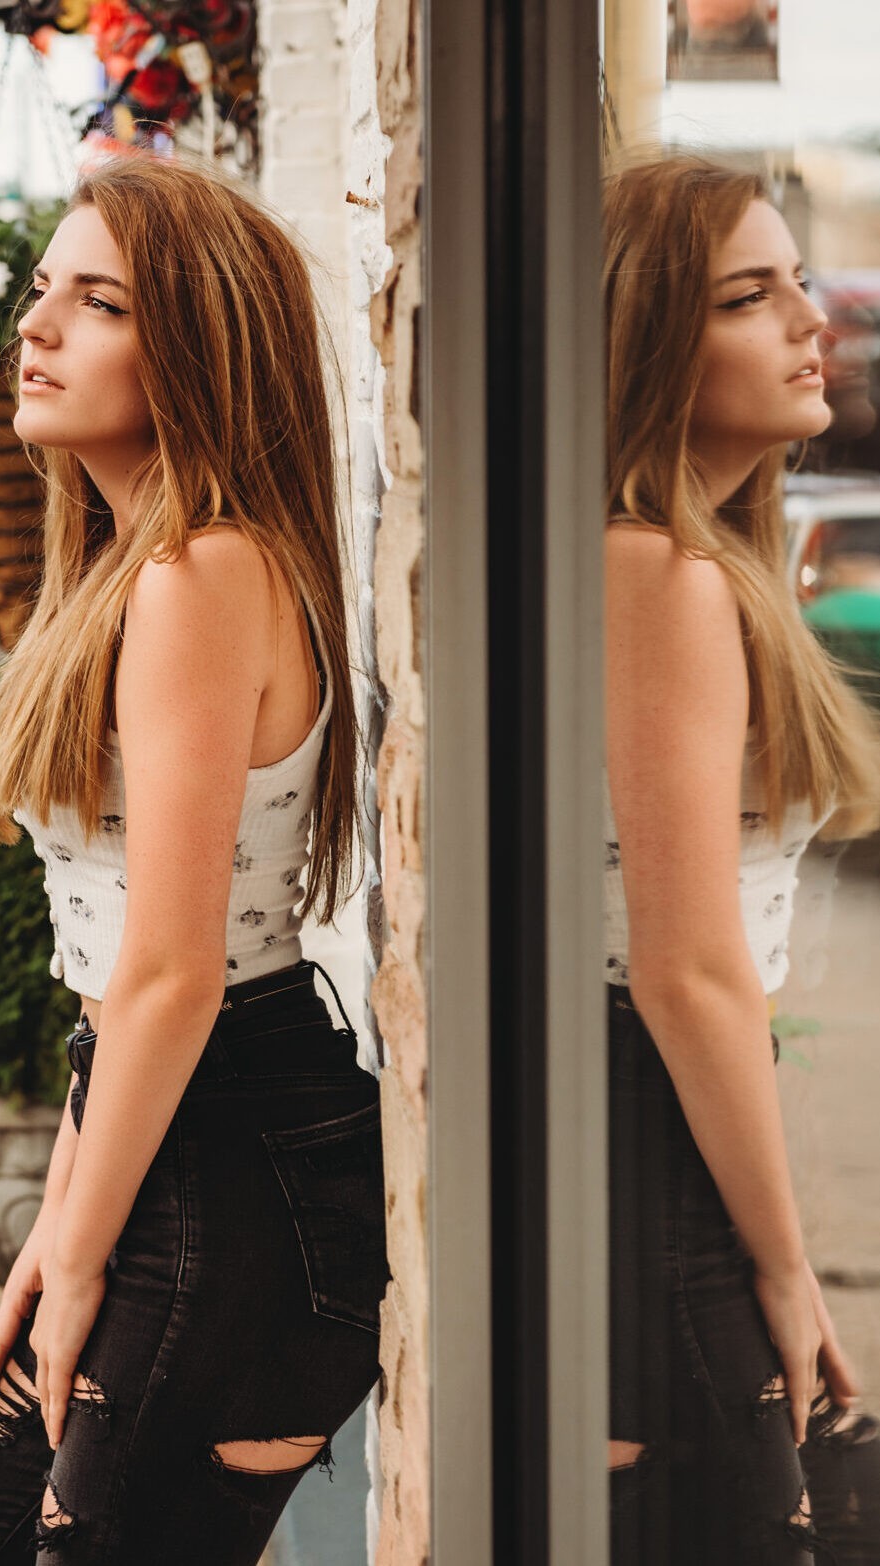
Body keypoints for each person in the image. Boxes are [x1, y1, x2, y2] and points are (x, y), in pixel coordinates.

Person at [0, 154, 387, 1565]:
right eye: (41, 291)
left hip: (233, 1165)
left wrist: (86, 1250)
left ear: (203, 346)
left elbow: (171, 972)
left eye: (96, 300)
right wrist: (58, 1223)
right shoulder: (137, 573)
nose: (35, 329)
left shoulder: (201, 576)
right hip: (169, 1128)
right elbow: (119, 985)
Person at [604, 155, 880, 1563]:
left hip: (662, 1147)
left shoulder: (693, 563)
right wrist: (784, 1266)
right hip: (641, 1158)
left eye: (793, 281)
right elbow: (686, 968)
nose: (803, 317)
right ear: (646, 337)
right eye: (745, 294)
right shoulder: (654, 573)